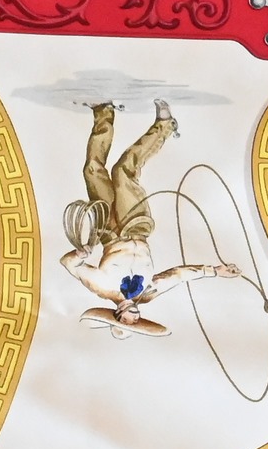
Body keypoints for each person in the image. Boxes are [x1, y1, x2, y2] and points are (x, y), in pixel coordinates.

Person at [57, 99, 237, 333]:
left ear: (117, 315)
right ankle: (164, 126)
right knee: (123, 173)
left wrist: (80, 254)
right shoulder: (149, 293)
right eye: (135, 323)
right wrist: (214, 271)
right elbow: (178, 275)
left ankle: (103, 111)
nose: (133, 320)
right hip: (135, 225)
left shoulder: (101, 287)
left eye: (125, 322)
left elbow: (68, 264)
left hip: (108, 231)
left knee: (92, 170)